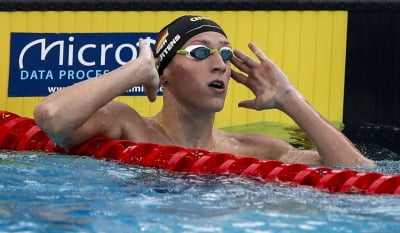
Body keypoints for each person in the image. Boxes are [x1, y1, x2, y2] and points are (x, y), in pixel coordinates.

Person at [33, 15, 375, 168]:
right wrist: (135, 71)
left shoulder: (258, 148)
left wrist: (289, 99)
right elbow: (52, 117)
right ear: (163, 73)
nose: (220, 65)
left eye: (225, 53)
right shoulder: (128, 125)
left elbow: (359, 171)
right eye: (200, 52)